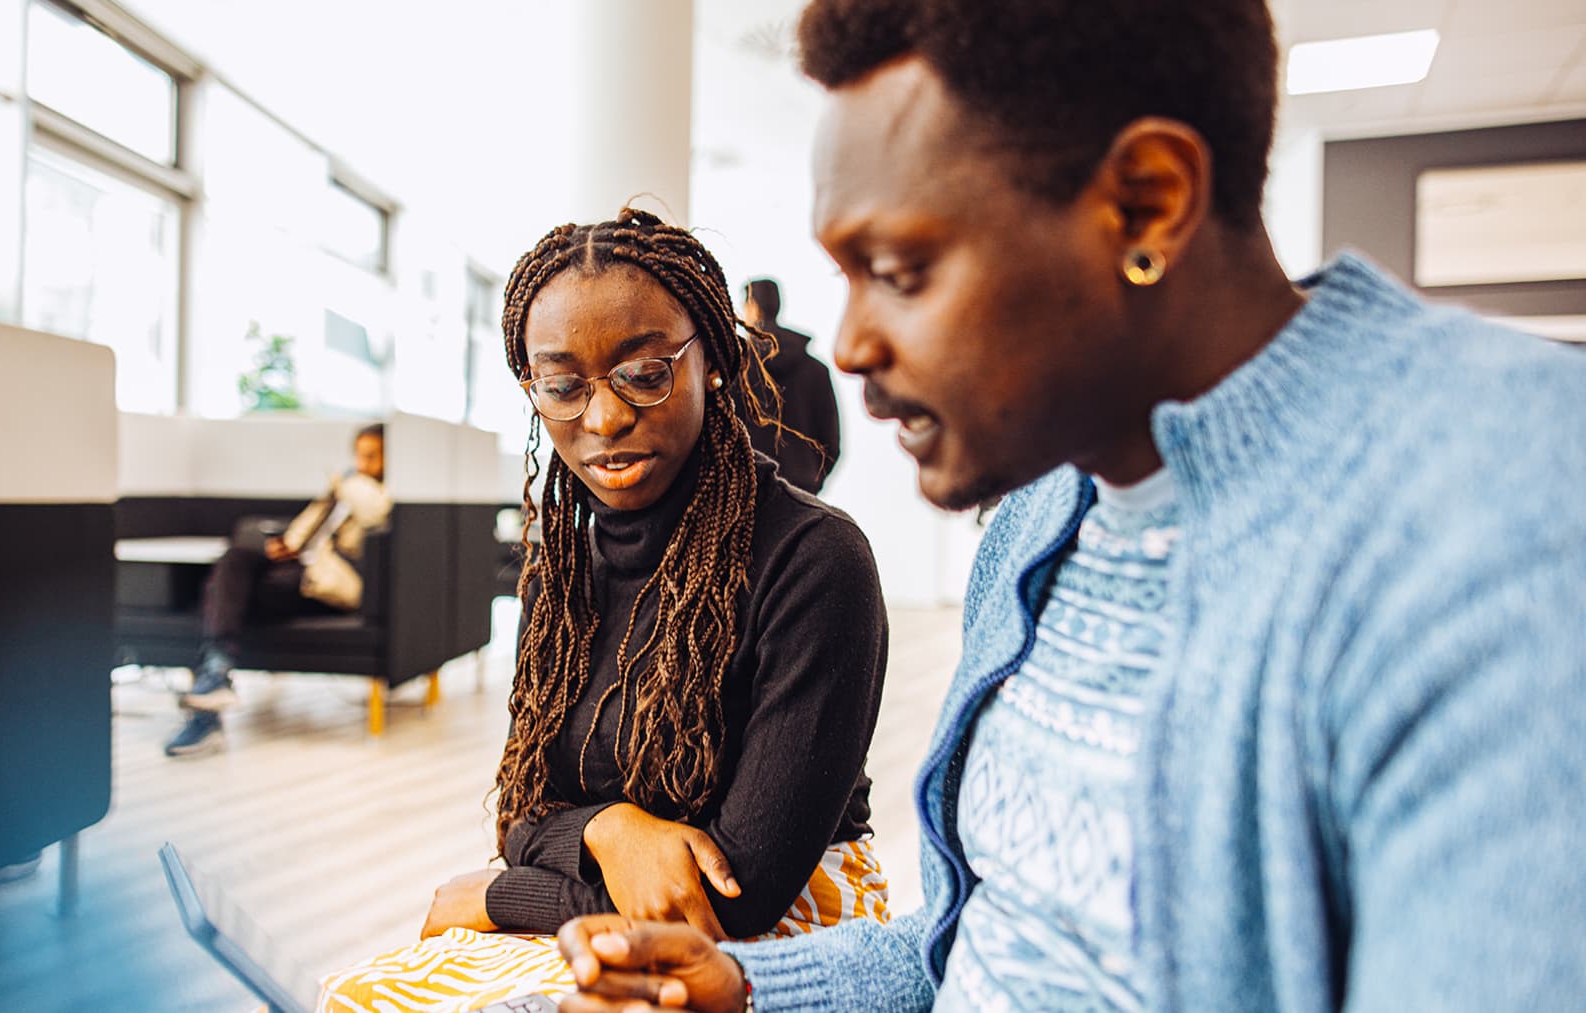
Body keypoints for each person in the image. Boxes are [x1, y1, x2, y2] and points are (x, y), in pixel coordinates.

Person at [554, 1, 1586, 1010]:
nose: (854, 344)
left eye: (900, 271)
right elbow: (1002, 934)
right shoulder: (1046, 511)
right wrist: (750, 985)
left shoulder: (1508, 512)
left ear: (1146, 202)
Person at [313, 209, 891, 1011]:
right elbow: (521, 813)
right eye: (562, 387)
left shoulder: (816, 559)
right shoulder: (562, 569)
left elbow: (739, 892)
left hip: (779, 932)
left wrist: (497, 895)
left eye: (645, 373)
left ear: (712, 361)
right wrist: (607, 829)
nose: (605, 418)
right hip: (602, 899)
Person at [164, 422, 392, 757]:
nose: (361, 464)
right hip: (300, 570)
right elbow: (304, 530)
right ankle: (215, 673)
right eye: (358, 456)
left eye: (371, 456)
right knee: (235, 559)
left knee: (216, 597)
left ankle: (209, 700)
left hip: (329, 587)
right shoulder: (340, 491)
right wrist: (287, 545)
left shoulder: (376, 490)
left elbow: (377, 511)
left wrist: (345, 481)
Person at [737, 279, 842, 493]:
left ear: (752, 306)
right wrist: (812, 478)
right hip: (803, 490)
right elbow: (830, 441)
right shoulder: (816, 370)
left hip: (749, 490)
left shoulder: (735, 369)